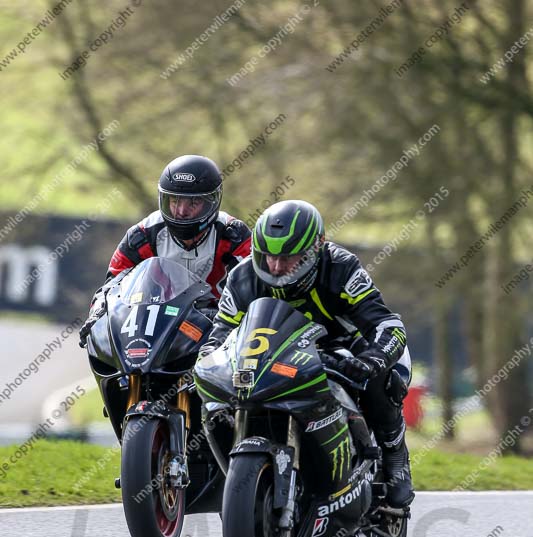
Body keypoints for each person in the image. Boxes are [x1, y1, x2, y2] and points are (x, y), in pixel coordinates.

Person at [199, 199, 414, 510]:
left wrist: (372, 359)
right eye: (268, 256)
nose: (275, 267)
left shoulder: (342, 268)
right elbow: (220, 332)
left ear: (316, 249)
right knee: (214, 397)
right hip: (273, 352)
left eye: (288, 258)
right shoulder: (242, 277)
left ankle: (395, 454)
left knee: (384, 377)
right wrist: (207, 360)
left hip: (340, 349)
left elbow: (387, 325)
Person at [79, 155, 251, 344]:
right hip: (154, 329)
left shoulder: (234, 234)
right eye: (174, 201)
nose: (181, 211)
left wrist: (226, 315)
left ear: (212, 201)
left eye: (193, 203)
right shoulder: (143, 234)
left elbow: (254, 287)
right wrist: (97, 313)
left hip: (215, 331)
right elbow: (112, 284)